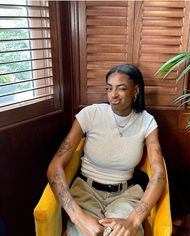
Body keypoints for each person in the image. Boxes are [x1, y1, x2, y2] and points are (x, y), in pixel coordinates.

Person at [47, 64, 166, 236]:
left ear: (136, 90)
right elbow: (54, 167)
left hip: (125, 195)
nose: (113, 95)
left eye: (121, 88)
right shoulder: (90, 114)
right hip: (85, 193)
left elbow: (159, 174)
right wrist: (79, 217)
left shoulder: (147, 122)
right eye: (109, 88)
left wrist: (133, 220)